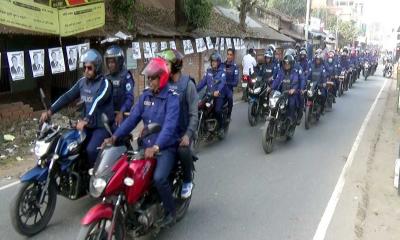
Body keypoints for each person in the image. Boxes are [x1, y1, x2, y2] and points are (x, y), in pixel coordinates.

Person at [103, 57, 180, 227]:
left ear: (162, 77)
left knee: (159, 178)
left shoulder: (172, 97)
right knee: (129, 173)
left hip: (164, 148)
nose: (149, 80)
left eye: (152, 78)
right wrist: (115, 136)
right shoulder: (145, 95)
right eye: (149, 78)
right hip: (145, 146)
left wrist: (156, 146)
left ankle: (170, 211)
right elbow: (132, 120)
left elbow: (169, 126)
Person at [40, 49, 113, 166]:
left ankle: (93, 179)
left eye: (89, 68)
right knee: (70, 147)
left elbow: (97, 101)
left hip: (101, 126)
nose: (86, 71)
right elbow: (67, 96)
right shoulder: (82, 82)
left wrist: (86, 119)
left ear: (97, 68)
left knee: (90, 150)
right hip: (86, 126)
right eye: (84, 68)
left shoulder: (105, 84)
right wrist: (50, 111)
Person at [158, 49, 198, 199]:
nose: (163, 68)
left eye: (166, 64)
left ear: (175, 66)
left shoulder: (188, 85)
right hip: (167, 132)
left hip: (182, 133)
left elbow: (194, 114)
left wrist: (188, 135)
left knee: (182, 151)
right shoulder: (163, 84)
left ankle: (188, 180)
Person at [104, 45, 135, 126]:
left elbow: (130, 98)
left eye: (113, 62)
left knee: (118, 135)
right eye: (109, 62)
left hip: (122, 115)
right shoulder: (106, 77)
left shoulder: (126, 76)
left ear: (119, 62)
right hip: (108, 114)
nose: (110, 65)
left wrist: (121, 112)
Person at [197, 52, 226, 136]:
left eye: (215, 61)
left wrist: (218, 91)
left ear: (219, 62)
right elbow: (202, 83)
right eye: (212, 61)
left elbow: (222, 83)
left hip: (218, 96)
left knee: (217, 110)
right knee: (201, 108)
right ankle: (205, 126)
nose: (213, 63)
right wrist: (193, 89)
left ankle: (221, 127)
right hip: (209, 95)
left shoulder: (222, 72)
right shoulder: (208, 72)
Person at [271, 50, 301, 124]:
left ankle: (290, 120)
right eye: (285, 64)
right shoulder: (281, 71)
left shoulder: (294, 72)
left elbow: (295, 82)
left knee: (291, 104)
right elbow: (277, 80)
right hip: (281, 93)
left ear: (291, 64)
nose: (286, 65)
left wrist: (293, 89)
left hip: (290, 94)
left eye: (288, 64)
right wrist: (271, 87)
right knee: (274, 103)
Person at [308, 50, 328, 114]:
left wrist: (324, 83)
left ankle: (321, 109)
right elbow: (308, 75)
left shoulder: (322, 68)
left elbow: (324, 76)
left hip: (320, 86)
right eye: (317, 60)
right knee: (307, 95)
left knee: (323, 95)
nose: (318, 61)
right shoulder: (312, 67)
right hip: (312, 86)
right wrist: (306, 80)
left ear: (321, 61)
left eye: (319, 60)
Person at [223, 48, 239, 120]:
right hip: (220, 88)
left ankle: (229, 115)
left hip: (229, 89)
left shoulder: (235, 67)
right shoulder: (222, 65)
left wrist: (227, 83)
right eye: (228, 54)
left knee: (230, 98)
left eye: (230, 55)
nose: (229, 56)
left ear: (233, 56)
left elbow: (235, 82)